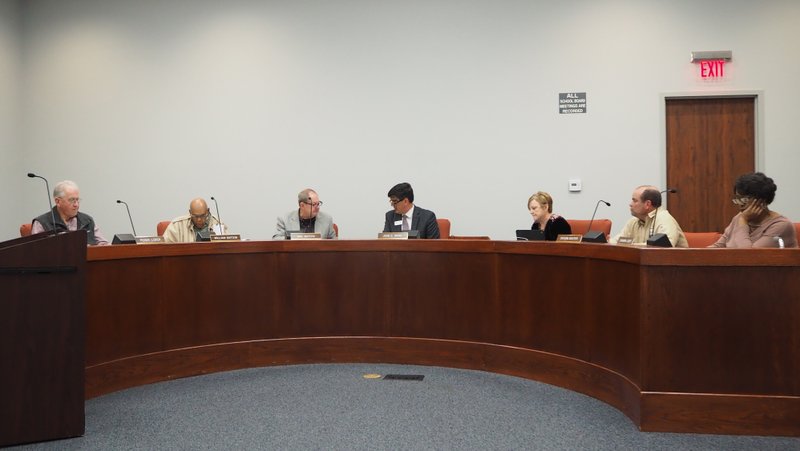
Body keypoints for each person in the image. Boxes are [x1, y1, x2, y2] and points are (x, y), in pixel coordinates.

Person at [710, 172, 797, 248]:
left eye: (745, 199)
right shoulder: (739, 218)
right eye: (737, 198)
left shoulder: (781, 226)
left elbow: (749, 257)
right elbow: (719, 247)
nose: (740, 203)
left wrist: (743, 221)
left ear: (762, 201)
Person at [31, 180, 110, 245]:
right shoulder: (42, 222)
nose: (76, 205)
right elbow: (36, 252)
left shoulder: (87, 220)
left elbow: (103, 244)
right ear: (58, 201)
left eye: (77, 200)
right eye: (72, 200)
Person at [612, 185, 688, 247]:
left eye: (634, 200)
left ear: (647, 204)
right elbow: (616, 241)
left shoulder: (664, 219)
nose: (630, 204)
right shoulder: (633, 221)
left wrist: (630, 245)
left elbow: (664, 247)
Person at [163, 198, 228, 243]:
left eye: (202, 216)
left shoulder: (217, 223)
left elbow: (227, 246)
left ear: (207, 211)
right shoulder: (177, 225)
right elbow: (164, 247)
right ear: (190, 212)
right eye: (195, 216)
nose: (199, 219)